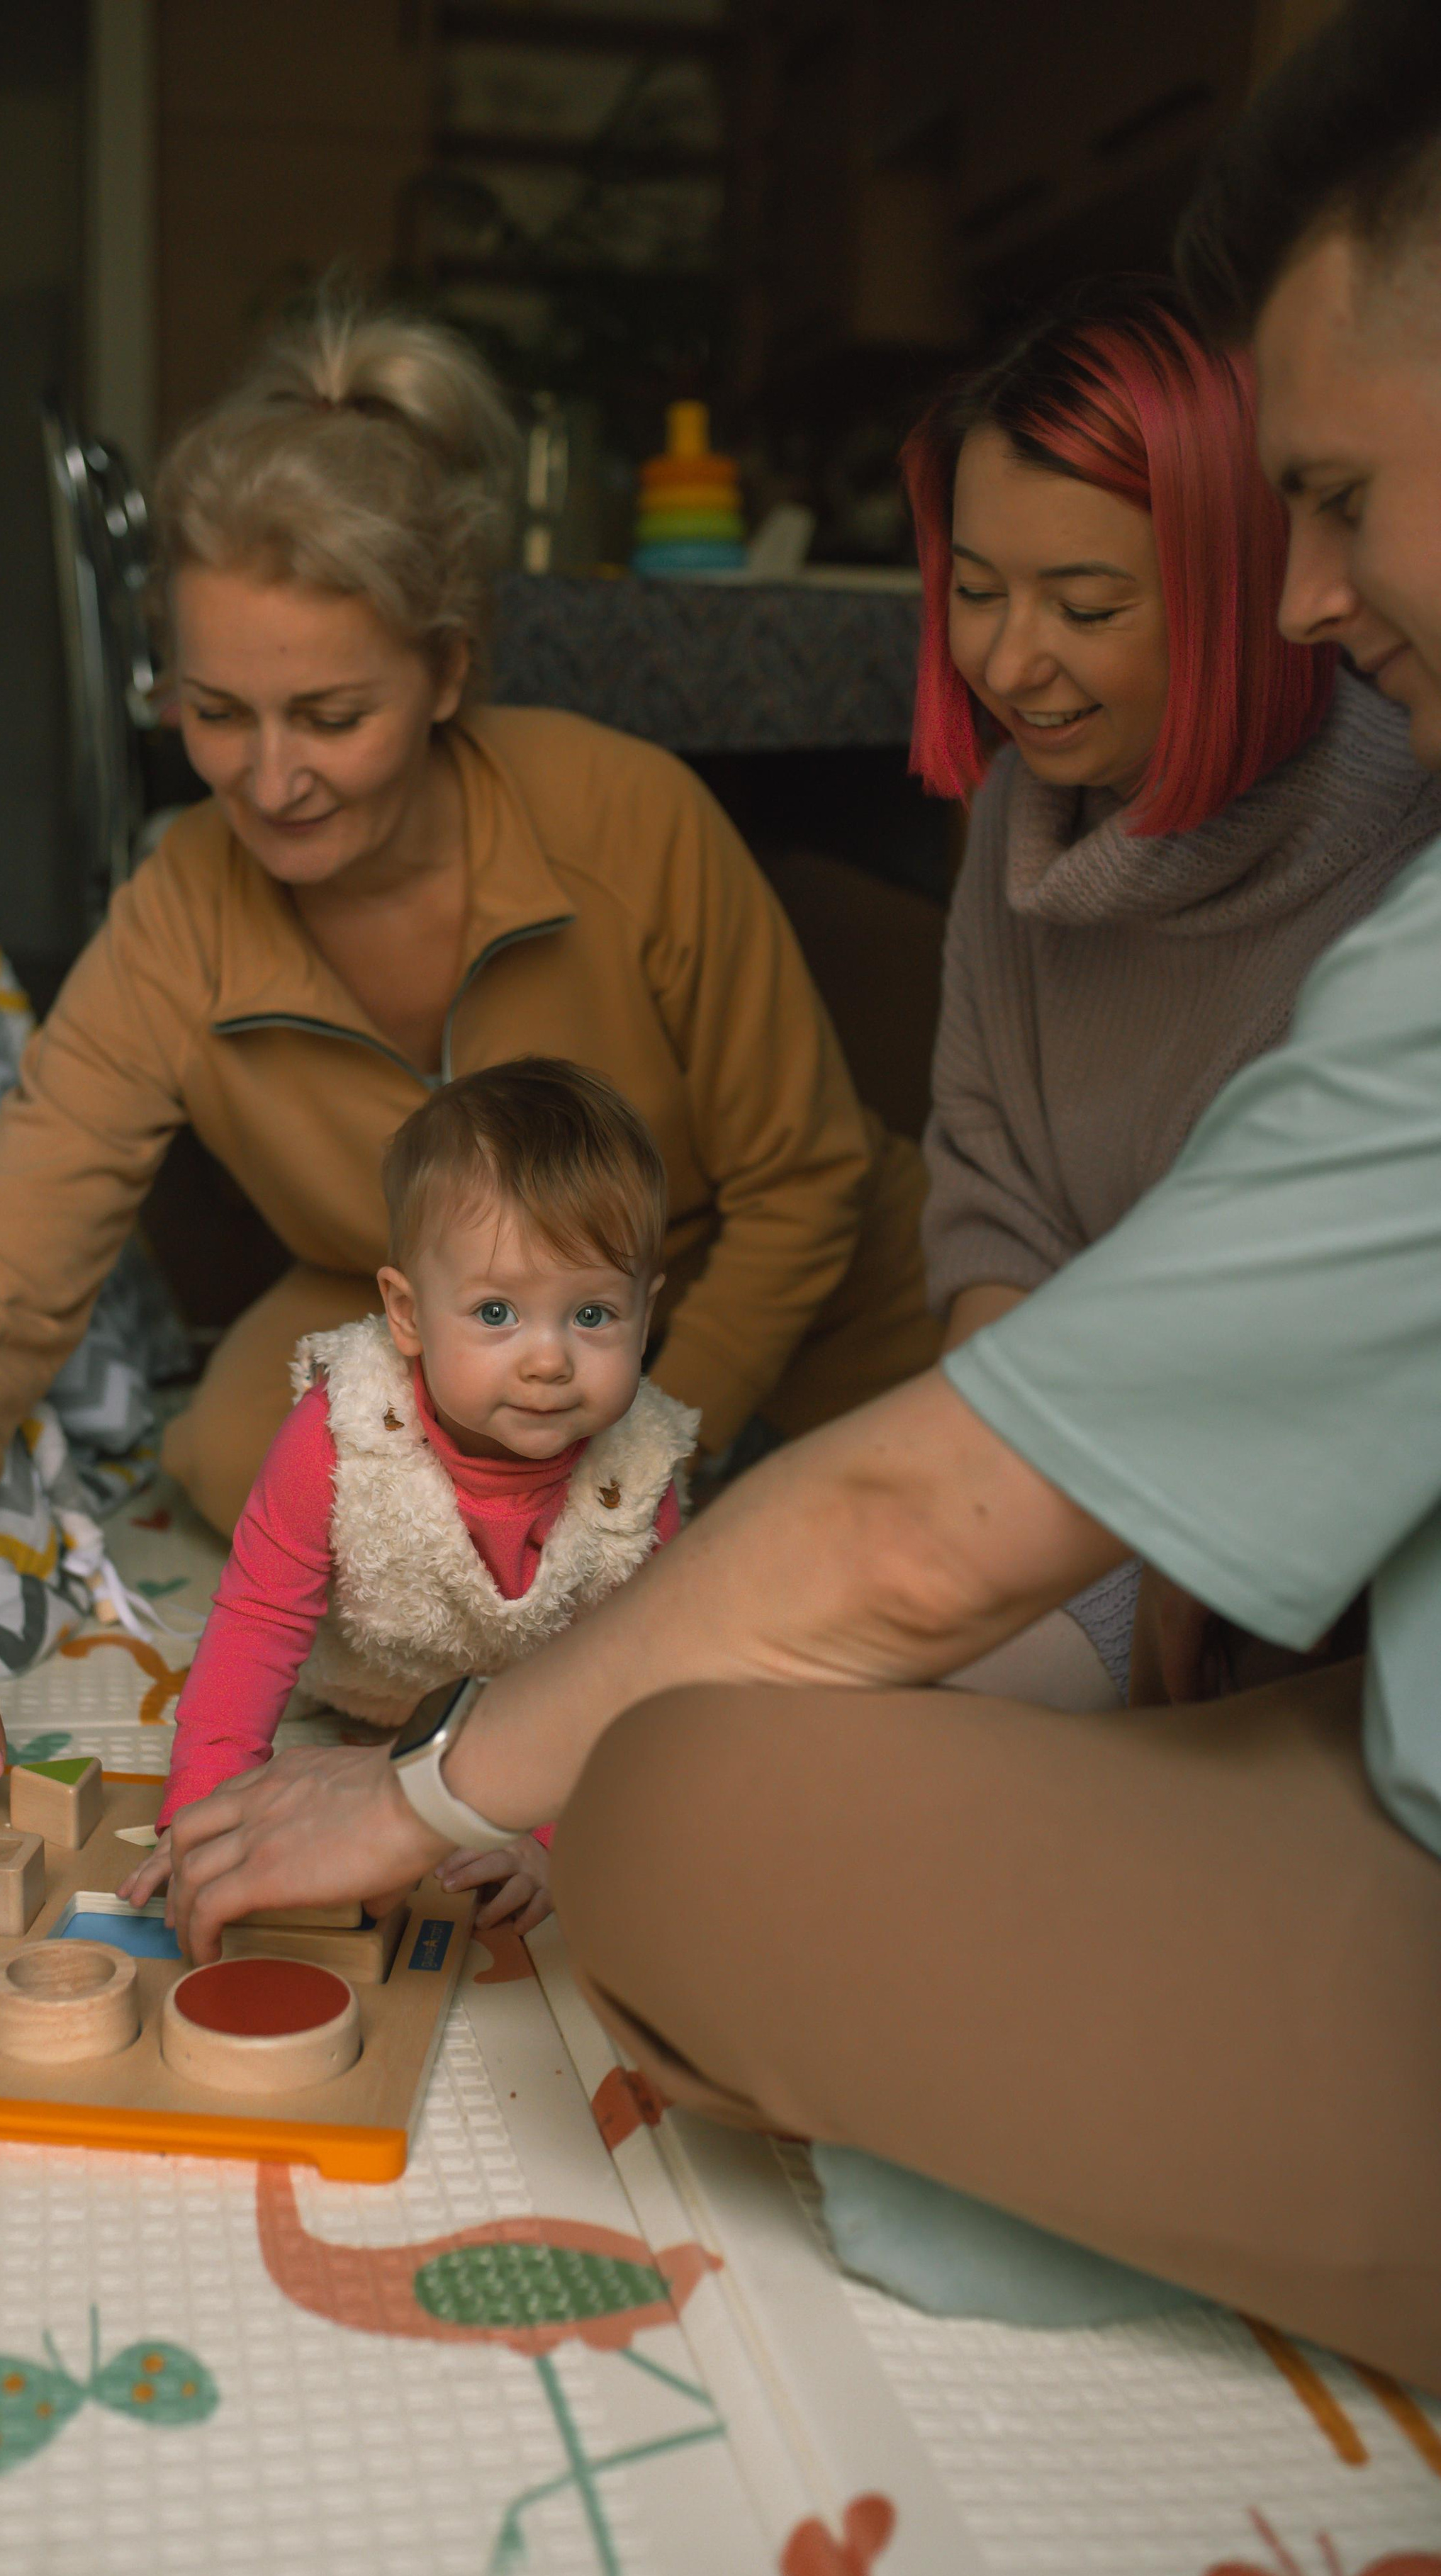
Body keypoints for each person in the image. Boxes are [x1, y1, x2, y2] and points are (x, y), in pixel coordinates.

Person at [144, 0, 1441, 2393]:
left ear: (444, 672)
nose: (1312, 598)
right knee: (654, 1655)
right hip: (1102, 1493)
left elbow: (869, 1317)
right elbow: (997, 1233)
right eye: (220, 717)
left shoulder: (1380, 892)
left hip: (1225, 1572)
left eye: (1338, 508)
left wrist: (467, 1740)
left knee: (682, 1780)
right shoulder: (1018, 840)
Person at [0, 298, 935, 1818]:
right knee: (238, 1438)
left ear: (448, 671)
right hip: (462, 1326)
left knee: (906, 1623)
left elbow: (807, 1185)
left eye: (330, 715)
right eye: (215, 714)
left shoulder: (632, 815)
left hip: (784, 1294)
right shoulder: (178, 911)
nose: (268, 779)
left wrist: (623, 1472)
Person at [905, 279, 1441, 1697]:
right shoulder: (1020, 816)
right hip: (1064, 1461)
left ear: (1243, 593)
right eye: (975, 590)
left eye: (1085, 605)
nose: (1008, 661)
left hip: (1297, 1529)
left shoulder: (1403, 851)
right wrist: (970, 1537)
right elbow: (999, 1217)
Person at [137, 1059, 693, 1935]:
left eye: (592, 1316)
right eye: (496, 1313)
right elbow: (257, 1618)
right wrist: (201, 1810)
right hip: (370, 1692)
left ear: (645, 1314)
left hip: (528, 1723)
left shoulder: (640, 1479)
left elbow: (629, 1680)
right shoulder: (344, 1428)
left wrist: (547, 1836)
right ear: (405, 1314)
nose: (549, 1360)